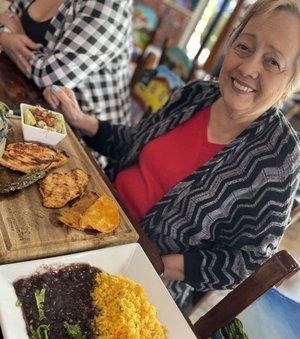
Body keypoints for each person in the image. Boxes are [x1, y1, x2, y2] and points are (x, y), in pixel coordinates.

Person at [44, 0, 300, 310]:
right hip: (87, 215)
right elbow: (132, 143)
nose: (247, 68)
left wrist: (160, 264)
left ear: (291, 83)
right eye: (244, 46)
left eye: (272, 62)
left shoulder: (279, 157)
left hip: (141, 279)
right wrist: (81, 119)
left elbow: (245, 261)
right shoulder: (195, 95)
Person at [0, 0, 132, 124]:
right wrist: (5, 37)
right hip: (23, 95)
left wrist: (13, 39)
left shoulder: (109, 7)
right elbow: (6, 18)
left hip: (78, 132)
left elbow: (51, 78)